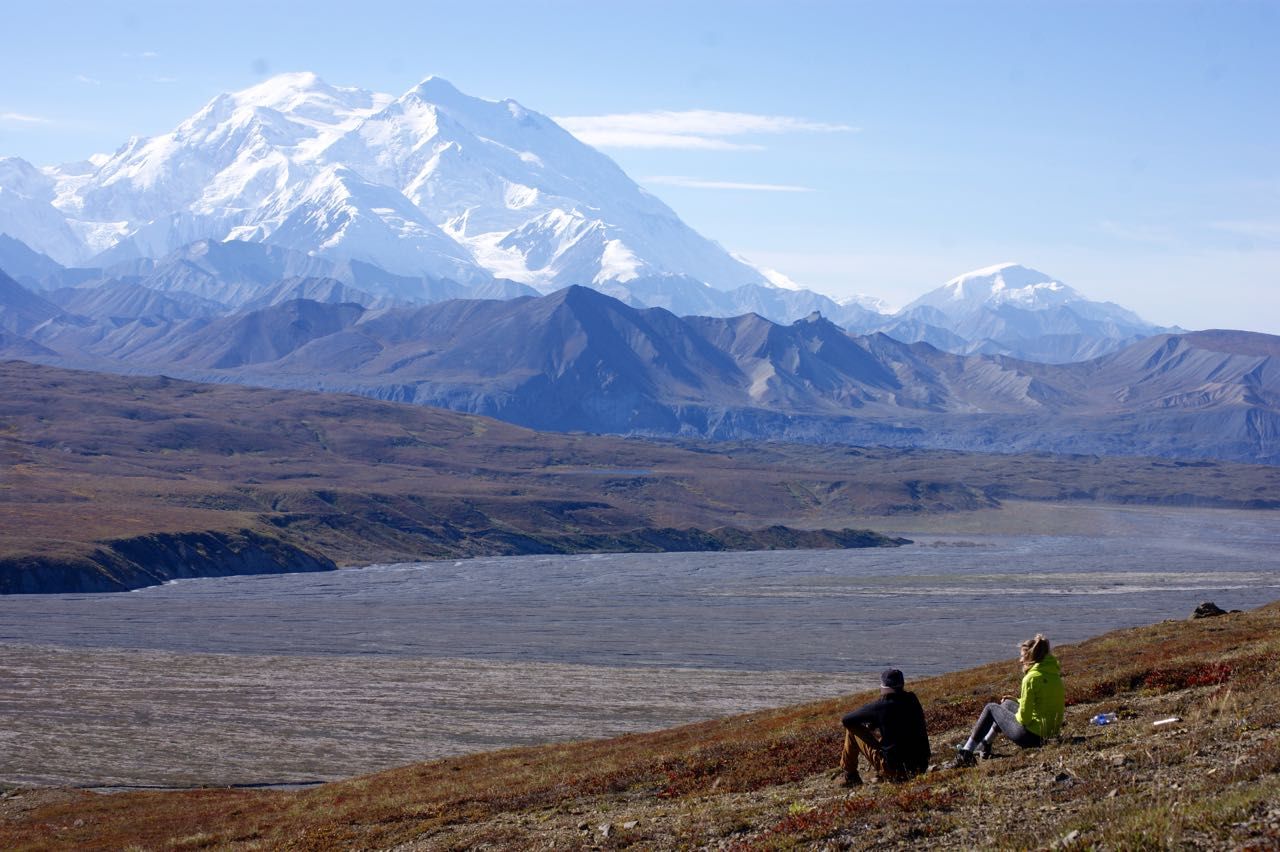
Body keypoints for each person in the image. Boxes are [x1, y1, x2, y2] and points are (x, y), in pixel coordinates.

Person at [951, 633, 1064, 767]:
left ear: (1030, 657)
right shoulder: (1054, 675)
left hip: (1031, 737)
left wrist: (1011, 716)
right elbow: (1041, 703)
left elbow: (1024, 718)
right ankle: (985, 744)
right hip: (1049, 734)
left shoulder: (1031, 678)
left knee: (991, 708)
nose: (1020, 661)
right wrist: (1017, 701)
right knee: (1007, 704)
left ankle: (966, 752)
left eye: (1022, 656)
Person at [837, 668, 931, 786]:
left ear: (884, 687)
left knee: (852, 730)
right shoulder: (912, 699)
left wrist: (869, 725)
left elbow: (846, 720)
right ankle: (877, 774)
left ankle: (850, 775)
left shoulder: (881, 707)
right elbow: (897, 719)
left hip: (895, 770)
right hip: (920, 767)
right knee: (890, 734)